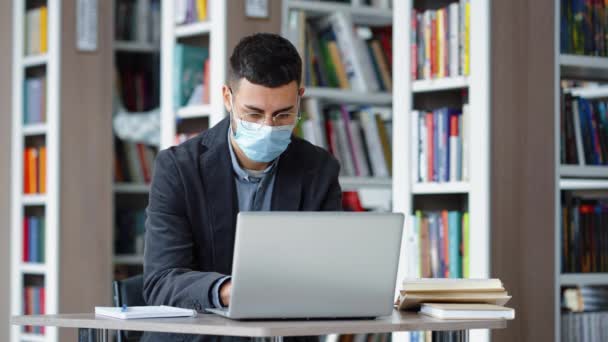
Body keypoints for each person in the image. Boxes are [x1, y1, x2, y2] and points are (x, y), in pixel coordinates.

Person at [142, 33, 342, 342]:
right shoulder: (178, 168)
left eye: (282, 114)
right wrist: (227, 290)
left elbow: (330, 271)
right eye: (253, 113)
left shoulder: (319, 170)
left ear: (299, 97)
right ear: (227, 97)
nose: (267, 127)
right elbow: (161, 280)